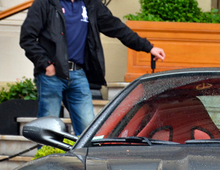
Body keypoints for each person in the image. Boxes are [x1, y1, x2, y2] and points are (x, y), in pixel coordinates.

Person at [20, 0, 166, 136]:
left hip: (78, 74)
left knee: (88, 130)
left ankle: (84, 163)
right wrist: (46, 65)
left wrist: (148, 48)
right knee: (48, 130)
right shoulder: (45, 3)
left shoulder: (90, 4)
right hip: (52, 76)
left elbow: (117, 27)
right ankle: (46, 162)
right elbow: (27, 38)